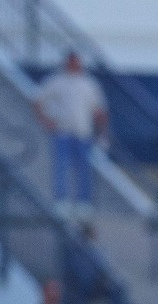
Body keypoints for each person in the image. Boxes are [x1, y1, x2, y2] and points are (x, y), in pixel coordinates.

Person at [34, 52, 108, 217]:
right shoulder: (56, 82)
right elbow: (38, 101)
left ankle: (83, 203)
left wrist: (102, 133)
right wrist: (46, 121)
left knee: (84, 170)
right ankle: (61, 201)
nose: (75, 65)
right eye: (72, 63)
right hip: (63, 132)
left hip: (83, 133)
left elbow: (98, 110)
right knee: (61, 168)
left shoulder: (89, 84)